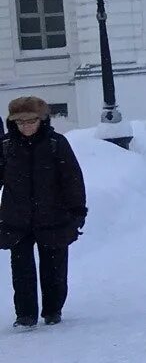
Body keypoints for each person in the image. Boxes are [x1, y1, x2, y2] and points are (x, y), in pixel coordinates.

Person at [2, 95, 87, 329]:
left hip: (53, 217)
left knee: (54, 269)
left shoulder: (55, 143)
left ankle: (52, 310)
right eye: (20, 122)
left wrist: (77, 211)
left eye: (30, 121)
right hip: (16, 219)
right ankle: (26, 315)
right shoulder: (6, 146)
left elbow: (72, 179)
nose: (26, 127)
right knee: (21, 271)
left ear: (41, 120)